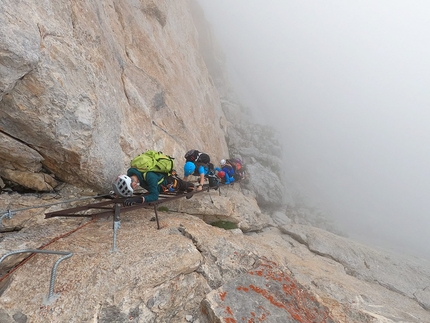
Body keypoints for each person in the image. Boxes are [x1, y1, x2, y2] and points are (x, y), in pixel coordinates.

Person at [112, 168, 194, 206]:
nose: (134, 188)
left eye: (133, 188)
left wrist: (137, 199)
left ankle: (191, 187)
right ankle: (182, 189)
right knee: (180, 186)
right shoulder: (135, 175)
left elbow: (155, 196)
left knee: (181, 184)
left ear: (133, 184)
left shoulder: (150, 177)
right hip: (159, 184)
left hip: (168, 182)